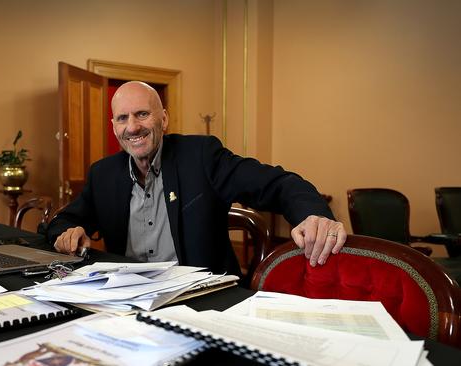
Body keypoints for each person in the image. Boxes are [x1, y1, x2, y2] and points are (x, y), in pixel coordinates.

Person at [47, 81, 347, 276]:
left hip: (199, 299)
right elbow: (62, 221)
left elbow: (278, 184)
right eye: (123, 118)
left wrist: (313, 215)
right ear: (114, 127)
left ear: (163, 119)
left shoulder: (200, 156)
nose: (133, 127)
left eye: (142, 114)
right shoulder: (103, 173)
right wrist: (67, 232)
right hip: (126, 302)